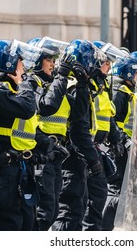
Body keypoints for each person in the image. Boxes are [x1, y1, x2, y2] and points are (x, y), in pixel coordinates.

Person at [0, 39, 42, 230]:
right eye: (20, 61)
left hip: (20, 165)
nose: (23, 65)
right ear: (9, 63)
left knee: (27, 222)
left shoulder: (12, 90)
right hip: (4, 166)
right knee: (8, 223)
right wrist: (25, 83)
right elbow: (26, 109)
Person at [52, 39, 103, 231]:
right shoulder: (73, 86)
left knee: (77, 207)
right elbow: (78, 128)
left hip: (72, 154)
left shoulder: (76, 84)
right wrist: (93, 160)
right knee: (69, 211)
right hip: (70, 155)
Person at [27, 36, 71, 231]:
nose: (53, 65)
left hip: (55, 152)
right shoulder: (33, 83)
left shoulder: (53, 83)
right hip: (41, 152)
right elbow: (46, 107)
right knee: (43, 210)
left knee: (53, 208)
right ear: (37, 61)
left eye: (54, 60)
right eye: (48, 60)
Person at [82, 41, 123, 231]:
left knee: (98, 196)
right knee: (90, 200)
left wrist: (117, 138)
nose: (109, 67)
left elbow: (108, 117)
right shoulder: (89, 85)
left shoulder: (102, 85)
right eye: (106, 63)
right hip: (86, 148)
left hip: (99, 147)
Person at [101, 55, 137, 231]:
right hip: (119, 148)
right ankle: (104, 228)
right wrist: (122, 141)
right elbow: (113, 121)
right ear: (129, 73)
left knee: (124, 190)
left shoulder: (130, 91)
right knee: (116, 190)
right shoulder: (120, 92)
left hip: (128, 146)